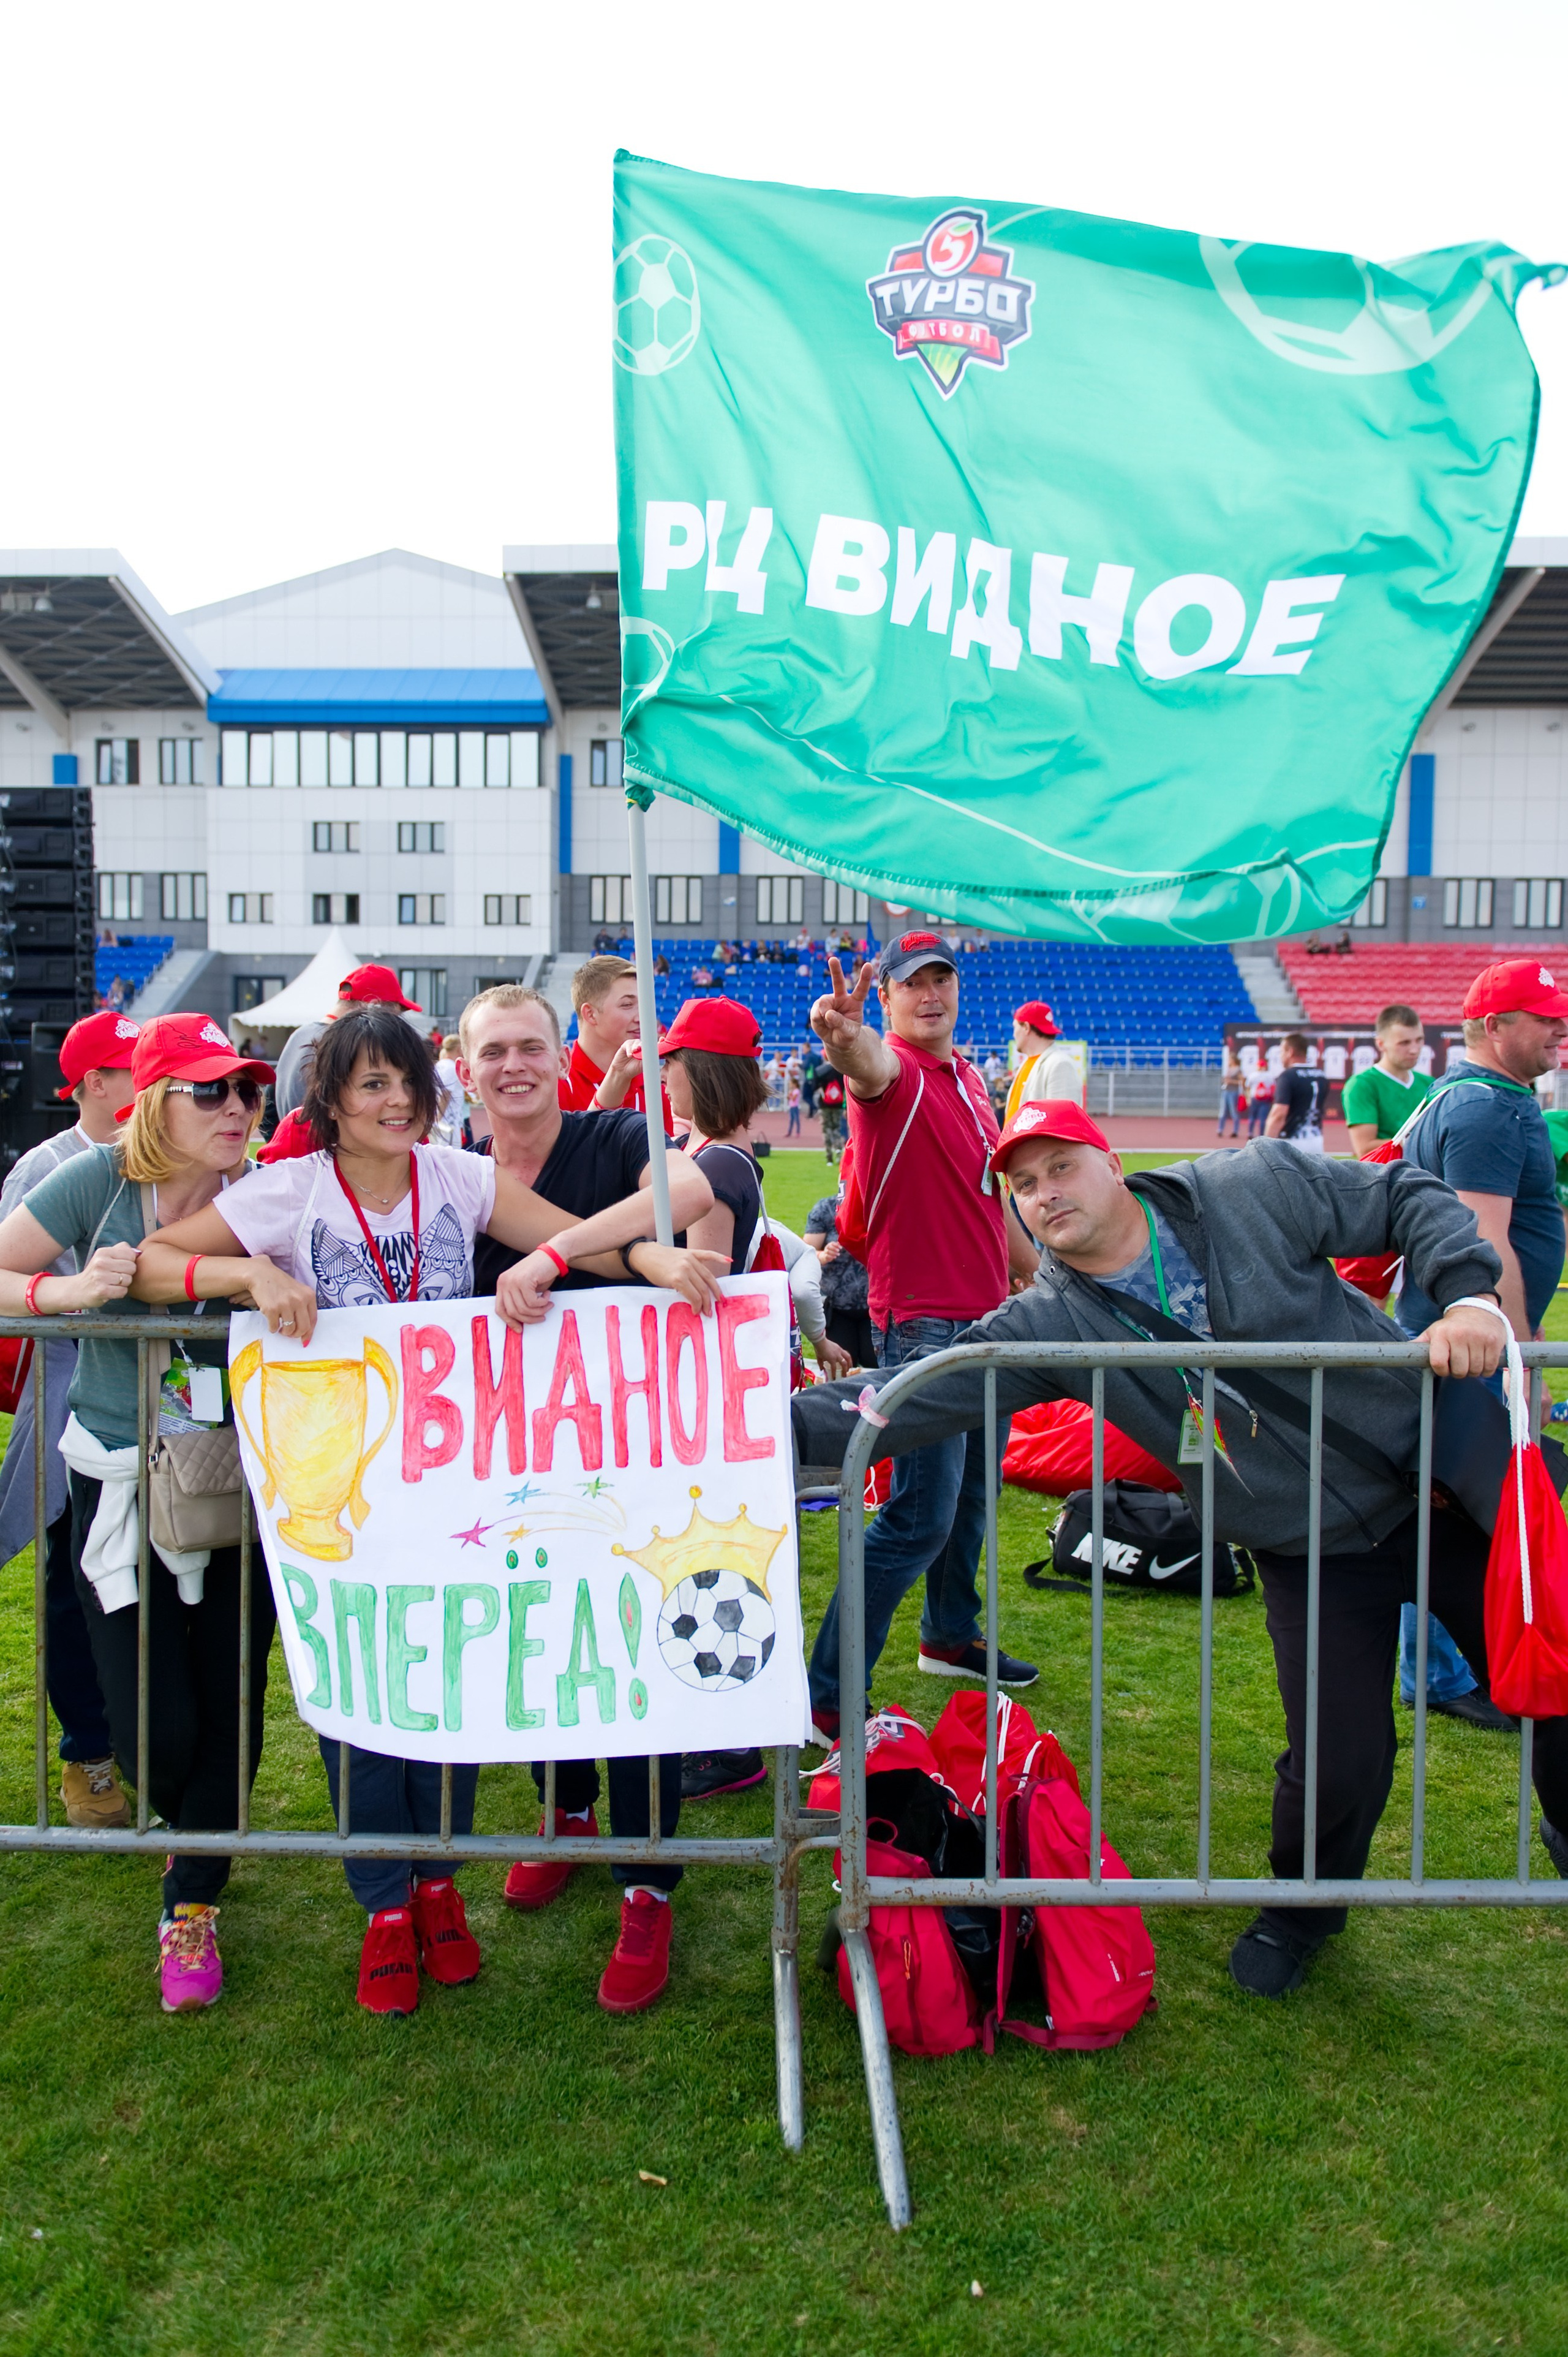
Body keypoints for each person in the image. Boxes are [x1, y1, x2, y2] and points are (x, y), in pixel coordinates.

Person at [790, 1097, 1567, 1999]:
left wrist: (1471, 1295)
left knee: (1557, 1661)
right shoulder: (1049, 1322)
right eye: (1023, 1184)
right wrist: (761, 1426)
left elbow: (1402, 1194)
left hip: (1441, 1481)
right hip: (1309, 1548)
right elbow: (916, 1392)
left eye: (1060, 1167)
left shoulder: (1255, 1182)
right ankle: (1301, 1910)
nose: (1045, 1195)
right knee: (1339, 1754)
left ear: (1110, 1161)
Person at [132, 1004, 722, 2019]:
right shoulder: (289, 1191)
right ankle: (384, 1908)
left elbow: (569, 1246)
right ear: (328, 1103)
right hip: (334, 1487)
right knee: (358, 1688)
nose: (396, 1100)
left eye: (407, 1080)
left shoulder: (459, 1177)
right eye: (370, 1085)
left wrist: (657, 1259)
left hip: (446, 1488)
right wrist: (249, 1271)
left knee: (443, 1676)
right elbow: (148, 1266)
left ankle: (440, 1882)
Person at [0, 1013, 281, 2013]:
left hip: (236, 1488)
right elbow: (2, 1266)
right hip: (115, 1480)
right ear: (154, 1098)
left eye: (247, 1088)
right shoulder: (100, 1179)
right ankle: (190, 1839)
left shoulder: (265, 1195)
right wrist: (70, 1290)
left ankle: (191, 1903)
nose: (237, 1107)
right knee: (155, 1724)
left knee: (232, 1706)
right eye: (212, 1090)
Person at [452, 984, 722, 2009]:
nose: (514, 1066)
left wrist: (562, 1252)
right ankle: (563, 1809)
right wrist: (634, 1253)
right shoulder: (458, 1174)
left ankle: (647, 1881)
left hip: (635, 1454)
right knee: (544, 1638)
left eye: (532, 1046)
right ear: (464, 1064)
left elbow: (689, 1189)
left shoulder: (613, 1133)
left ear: (557, 1049)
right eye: (494, 1052)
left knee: (634, 1647)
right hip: (508, 1461)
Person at [804, 933, 1041, 1739]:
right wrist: (845, 1035)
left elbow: (992, 1195)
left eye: (942, 978)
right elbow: (866, 1063)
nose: (930, 993)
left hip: (987, 1316)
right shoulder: (896, 1071)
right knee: (917, 1514)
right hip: (926, 1321)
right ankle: (830, 1694)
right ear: (892, 997)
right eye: (914, 983)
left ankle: (948, 1634)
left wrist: (1039, 1278)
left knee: (973, 1496)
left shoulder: (972, 1078)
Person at [657, 997, 843, 1803]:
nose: (663, 1077)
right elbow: (796, 1258)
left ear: (699, 1070)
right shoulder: (730, 1160)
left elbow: (706, 1289)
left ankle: (731, 1744)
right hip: (738, 1399)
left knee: (719, 1562)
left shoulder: (714, 1167)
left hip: (717, 1404)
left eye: (672, 1062)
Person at [1392, 958, 1568, 1733]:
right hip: (1470, 1350)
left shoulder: (1461, 1099)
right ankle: (1435, 1672)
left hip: (1453, 1342)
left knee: (1443, 1509)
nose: (1558, 1028)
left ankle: (1437, 1668)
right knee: (1457, 1514)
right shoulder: (1487, 1109)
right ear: (1494, 1026)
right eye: (1542, 1017)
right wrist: (1522, 1359)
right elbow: (1484, 1246)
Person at [0, 1013, 140, 1831]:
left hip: (159, 1416)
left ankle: (154, 1750)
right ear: (93, 1083)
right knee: (72, 1585)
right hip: (65, 1412)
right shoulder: (45, 1167)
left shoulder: (175, 1156)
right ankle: (88, 1753)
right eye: (132, 1069)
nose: (148, 1082)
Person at [274, 964, 422, 1118]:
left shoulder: (299, 1035)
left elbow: (269, 1107)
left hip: (296, 1137)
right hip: (325, 1140)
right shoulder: (339, 1043)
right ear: (374, 1007)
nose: (394, 1024)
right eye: (394, 1016)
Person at [559, 956, 672, 1126]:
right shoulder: (558, 1085)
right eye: (627, 1005)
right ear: (590, 1014)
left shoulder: (653, 1087)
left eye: (645, 1004)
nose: (642, 1017)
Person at [805, 1181, 876, 1369]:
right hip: (838, 1308)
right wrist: (824, 1255)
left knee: (876, 1366)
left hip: (876, 1308)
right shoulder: (827, 1208)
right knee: (841, 1366)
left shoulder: (878, 1207)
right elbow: (807, 1252)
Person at [1343, 1004, 1430, 1157]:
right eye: (1405, 1043)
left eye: (1419, 1040)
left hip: (1427, 1176)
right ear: (1381, 1044)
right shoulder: (1362, 1085)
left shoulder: (1430, 1084)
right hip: (1384, 1178)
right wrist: (1424, 1143)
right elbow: (1365, 1149)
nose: (1415, 1049)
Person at [1005, 1001, 1080, 1121]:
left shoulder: (1060, 1065)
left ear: (1026, 1028)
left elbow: (1063, 1124)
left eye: (1015, 1027)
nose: (1014, 1034)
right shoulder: (1028, 1062)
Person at [1265, 1034, 1330, 1151]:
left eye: (1282, 1052)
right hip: (1316, 1140)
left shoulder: (1288, 1076)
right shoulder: (1321, 1076)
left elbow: (1279, 1114)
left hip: (1292, 1141)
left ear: (1290, 1052)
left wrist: (1265, 1145)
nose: (1281, 1057)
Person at [818, 1069, 846, 1163]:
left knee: (827, 1130)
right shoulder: (841, 1071)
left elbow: (814, 1085)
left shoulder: (821, 1071)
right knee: (837, 1128)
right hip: (838, 1105)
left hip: (825, 1105)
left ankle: (829, 1157)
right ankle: (838, 1151)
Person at [1218, 1046, 1243, 1138]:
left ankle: (1235, 1130)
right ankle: (1220, 1129)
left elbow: (1241, 1081)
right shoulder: (1228, 1069)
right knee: (1223, 1111)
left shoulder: (1238, 1069)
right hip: (1226, 1091)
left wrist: (1231, 1081)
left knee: (1234, 1112)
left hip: (1233, 1092)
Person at [1246, 1068, 1274, 1138]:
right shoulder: (1269, 1075)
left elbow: (1248, 1086)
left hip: (1254, 1097)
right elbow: (1273, 1086)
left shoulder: (1253, 1075)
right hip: (1265, 1098)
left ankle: (1250, 1132)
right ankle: (1261, 1134)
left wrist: (1248, 1098)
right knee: (1263, 1118)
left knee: (1252, 1116)